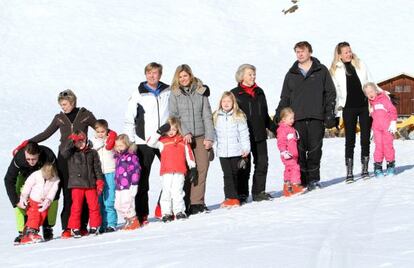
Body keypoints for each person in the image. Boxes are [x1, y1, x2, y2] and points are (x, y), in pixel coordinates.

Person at [13, 89, 116, 238]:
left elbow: (100, 128)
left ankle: (82, 226)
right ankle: (68, 227)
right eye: (61, 105)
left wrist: (112, 134)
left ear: (73, 102)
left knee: (86, 191)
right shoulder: (59, 118)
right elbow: (46, 133)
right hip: (65, 158)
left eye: (66, 104)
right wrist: (28, 142)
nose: (64, 107)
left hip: (83, 157)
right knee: (68, 194)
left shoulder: (85, 114)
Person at [275, 41, 336, 191]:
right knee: (299, 151)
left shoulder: (321, 71)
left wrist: (329, 114)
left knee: (315, 149)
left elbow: (330, 93)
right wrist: (279, 114)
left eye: (302, 51)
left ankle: (314, 179)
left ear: (310, 52)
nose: (300, 54)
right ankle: (300, 180)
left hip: (316, 116)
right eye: (297, 52)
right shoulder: (291, 74)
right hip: (297, 119)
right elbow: (285, 97)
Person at [124, 62, 170, 225]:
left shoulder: (167, 90)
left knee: (172, 173)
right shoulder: (138, 93)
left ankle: (163, 207)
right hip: (144, 141)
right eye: (149, 73)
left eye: (155, 73)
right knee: (142, 178)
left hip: (164, 139)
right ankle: (142, 213)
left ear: (160, 75)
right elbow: (129, 119)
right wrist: (131, 142)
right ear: (145, 75)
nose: (152, 76)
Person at [169, 64, 214, 214]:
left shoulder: (201, 91)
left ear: (190, 76)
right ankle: (184, 203)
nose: (183, 79)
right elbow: (174, 116)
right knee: (186, 170)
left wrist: (209, 137)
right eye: (180, 76)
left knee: (202, 168)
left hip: (201, 136)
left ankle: (197, 203)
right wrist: (185, 132)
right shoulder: (174, 94)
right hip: (184, 138)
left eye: (185, 76)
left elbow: (207, 115)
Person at [329, 41, 374, 182]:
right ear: (340, 55)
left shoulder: (360, 64)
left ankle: (365, 169)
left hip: (364, 106)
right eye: (346, 52)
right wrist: (335, 113)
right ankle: (349, 172)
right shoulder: (335, 70)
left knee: (365, 138)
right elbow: (335, 93)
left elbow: (371, 82)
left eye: (350, 51)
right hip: (348, 108)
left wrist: (383, 95)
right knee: (350, 140)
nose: (349, 54)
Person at [231, 64, 275, 202]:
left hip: (260, 134)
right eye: (250, 74)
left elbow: (265, 115)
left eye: (254, 74)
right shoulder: (234, 94)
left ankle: (258, 192)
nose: (253, 76)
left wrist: (277, 130)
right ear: (242, 75)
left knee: (262, 162)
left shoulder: (260, 92)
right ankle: (242, 194)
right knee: (245, 166)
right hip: (243, 137)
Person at [4, 142, 57, 244]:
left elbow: (56, 180)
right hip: (24, 176)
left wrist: (50, 198)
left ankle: (47, 227)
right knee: (18, 198)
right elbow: (8, 180)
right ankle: (22, 231)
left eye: (34, 159)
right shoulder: (19, 158)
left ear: (39, 154)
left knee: (52, 197)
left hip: (45, 176)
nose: (31, 162)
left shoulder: (48, 155)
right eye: (28, 159)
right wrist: (16, 201)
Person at [147, 117, 197, 222]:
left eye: (174, 129)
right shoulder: (162, 141)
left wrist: (193, 167)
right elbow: (150, 143)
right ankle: (166, 213)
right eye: (169, 129)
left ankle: (179, 211)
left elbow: (189, 154)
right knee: (166, 193)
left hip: (179, 171)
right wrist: (159, 131)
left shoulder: (183, 141)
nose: (171, 132)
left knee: (177, 192)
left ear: (178, 129)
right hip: (166, 172)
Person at [61, 131, 104, 238]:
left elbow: (97, 168)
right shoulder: (71, 152)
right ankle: (74, 227)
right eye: (77, 142)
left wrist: (99, 181)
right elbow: (64, 153)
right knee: (76, 207)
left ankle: (95, 226)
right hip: (77, 185)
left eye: (82, 141)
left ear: (86, 140)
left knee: (94, 206)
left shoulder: (93, 153)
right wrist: (71, 141)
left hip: (90, 184)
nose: (80, 144)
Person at [213, 91, 250, 207]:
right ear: (220, 102)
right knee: (227, 174)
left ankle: (235, 197)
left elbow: (244, 133)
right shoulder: (216, 116)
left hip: (236, 150)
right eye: (224, 101)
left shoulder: (238, 115)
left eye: (229, 101)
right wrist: (210, 144)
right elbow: (213, 133)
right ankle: (229, 197)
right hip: (223, 151)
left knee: (235, 173)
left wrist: (246, 148)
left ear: (233, 102)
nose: (226, 103)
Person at [18, 163, 60, 244]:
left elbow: (53, 191)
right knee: (34, 216)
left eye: (49, 177)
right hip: (33, 200)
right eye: (45, 177)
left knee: (41, 218)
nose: (47, 179)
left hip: (43, 203)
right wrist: (24, 195)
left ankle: (29, 233)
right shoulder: (36, 175)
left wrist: (48, 200)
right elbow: (28, 185)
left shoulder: (56, 179)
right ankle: (30, 233)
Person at [363, 82, 397, 177]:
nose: (370, 94)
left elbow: (392, 110)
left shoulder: (384, 99)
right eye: (367, 93)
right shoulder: (370, 104)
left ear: (376, 90)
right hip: (377, 129)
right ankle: (378, 168)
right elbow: (373, 117)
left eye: (371, 91)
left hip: (387, 128)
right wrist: (372, 130)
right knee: (378, 148)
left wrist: (393, 122)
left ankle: (391, 166)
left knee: (388, 146)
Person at [91, 119, 117, 233]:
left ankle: (111, 223)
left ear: (107, 130)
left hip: (111, 172)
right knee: (99, 201)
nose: (100, 134)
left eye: (103, 131)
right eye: (98, 132)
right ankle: (101, 224)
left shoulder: (111, 140)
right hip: (98, 174)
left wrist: (111, 137)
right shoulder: (92, 142)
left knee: (109, 200)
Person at [114, 134, 141, 230]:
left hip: (128, 185)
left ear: (127, 145)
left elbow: (135, 170)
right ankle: (127, 219)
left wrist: (134, 183)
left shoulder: (131, 156)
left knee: (127, 203)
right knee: (117, 205)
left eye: (121, 146)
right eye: (117, 146)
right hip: (119, 185)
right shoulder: (117, 156)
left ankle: (133, 220)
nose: (119, 148)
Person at [276, 108, 305, 197]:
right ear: (284, 119)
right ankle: (295, 185)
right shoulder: (282, 129)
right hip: (287, 154)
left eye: (293, 118)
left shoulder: (290, 128)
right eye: (290, 119)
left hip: (293, 154)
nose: (293, 120)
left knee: (289, 170)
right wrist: (284, 151)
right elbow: (281, 142)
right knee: (295, 168)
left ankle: (287, 188)